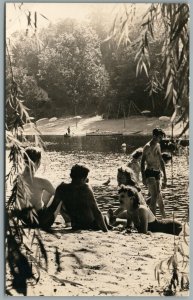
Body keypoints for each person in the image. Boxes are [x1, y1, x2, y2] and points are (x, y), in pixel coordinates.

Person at [17, 147, 65, 229]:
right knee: (60, 194)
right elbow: (58, 196)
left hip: (25, 220)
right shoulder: (42, 181)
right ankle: (68, 221)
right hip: (42, 221)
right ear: (37, 162)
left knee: (47, 193)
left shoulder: (17, 179)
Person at [53, 164, 108, 232]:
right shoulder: (86, 188)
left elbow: (52, 208)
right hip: (92, 225)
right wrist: (106, 231)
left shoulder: (61, 188)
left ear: (71, 176)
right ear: (83, 178)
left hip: (76, 226)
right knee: (105, 218)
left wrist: (44, 225)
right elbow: (96, 211)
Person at [118, 185, 182, 235]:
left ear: (132, 199)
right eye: (119, 196)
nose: (119, 199)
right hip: (165, 228)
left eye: (122, 196)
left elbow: (143, 232)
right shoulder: (129, 211)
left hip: (172, 227)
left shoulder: (141, 210)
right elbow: (129, 227)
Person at [141, 128, 167, 218]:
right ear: (154, 136)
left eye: (161, 137)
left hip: (157, 173)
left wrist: (165, 177)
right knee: (154, 196)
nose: (160, 139)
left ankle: (164, 219)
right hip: (149, 172)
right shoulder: (147, 147)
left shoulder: (158, 145)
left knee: (159, 198)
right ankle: (153, 220)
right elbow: (142, 162)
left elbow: (161, 160)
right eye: (159, 137)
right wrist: (143, 177)